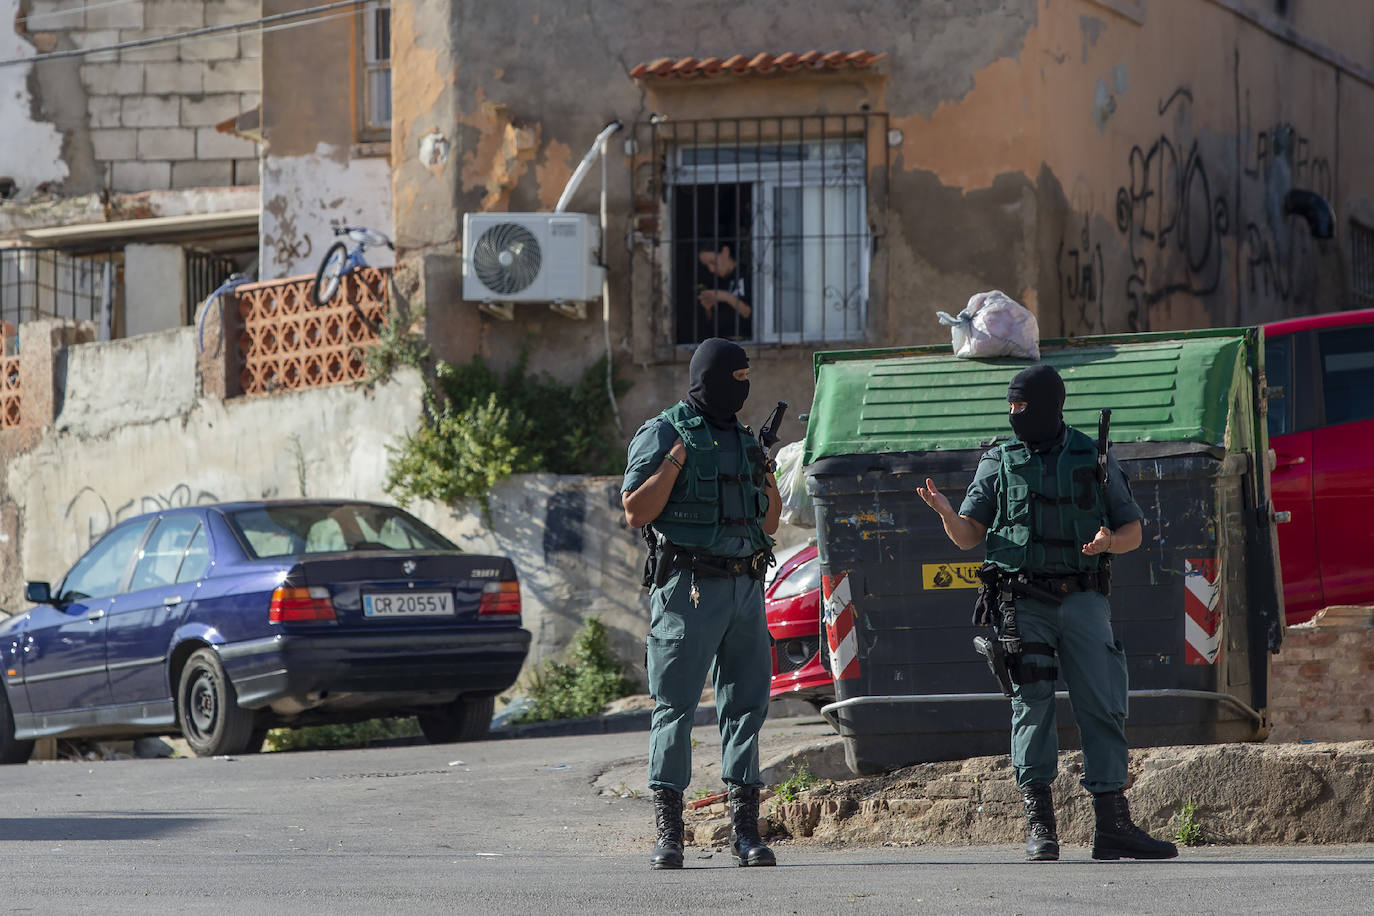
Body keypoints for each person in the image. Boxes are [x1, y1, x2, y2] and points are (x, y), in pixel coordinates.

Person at [916, 364, 1177, 862]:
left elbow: (1132, 530)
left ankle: (1113, 827)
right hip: (1021, 601)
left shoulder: (1091, 455)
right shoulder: (1000, 459)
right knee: (1031, 707)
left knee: (1102, 704)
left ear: (1050, 406)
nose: (1014, 416)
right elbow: (972, 534)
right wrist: (949, 516)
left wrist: (1108, 542)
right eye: (1010, 408)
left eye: (1022, 407)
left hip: (1082, 598)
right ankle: (1041, 827)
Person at [621, 337, 782, 870]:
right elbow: (635, 510)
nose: (743, 384)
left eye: (747, 376)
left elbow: (766, 524)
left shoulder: (742, 437)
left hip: (745, 588)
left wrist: (768, 477)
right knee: (675, 708)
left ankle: (744, 831)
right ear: (709, 377)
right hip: (689, 588)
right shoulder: (666, 430)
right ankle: (670, 830)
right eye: (735, 376)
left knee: (746, 710)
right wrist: (672, 464)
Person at [696, 244, 752, 340]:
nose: (711, 269)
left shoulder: (748, 274)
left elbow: (751, 314)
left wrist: (725, 297)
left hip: (746, 342)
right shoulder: (716, 282)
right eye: (706, 265)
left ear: (725, 251)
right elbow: (711, 324)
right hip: (721, 344)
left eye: (713, 262)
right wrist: (708, 308)